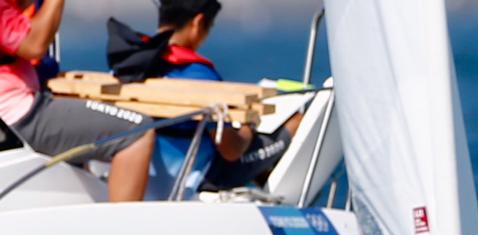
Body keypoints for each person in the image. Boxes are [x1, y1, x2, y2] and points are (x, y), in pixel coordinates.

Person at [107, 0, 299, 199]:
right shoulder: (200, 75)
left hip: (139, 173)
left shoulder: (129, 65)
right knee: (296, 120)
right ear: (198, 23)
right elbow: (231, 150)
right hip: (196, 178)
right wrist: (247, 128)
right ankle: (284, 203)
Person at [1, 0, 153, 201]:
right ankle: (120, 229)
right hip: (17, 114)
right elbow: (34, 45)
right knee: (137, 132)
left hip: (16, 110)